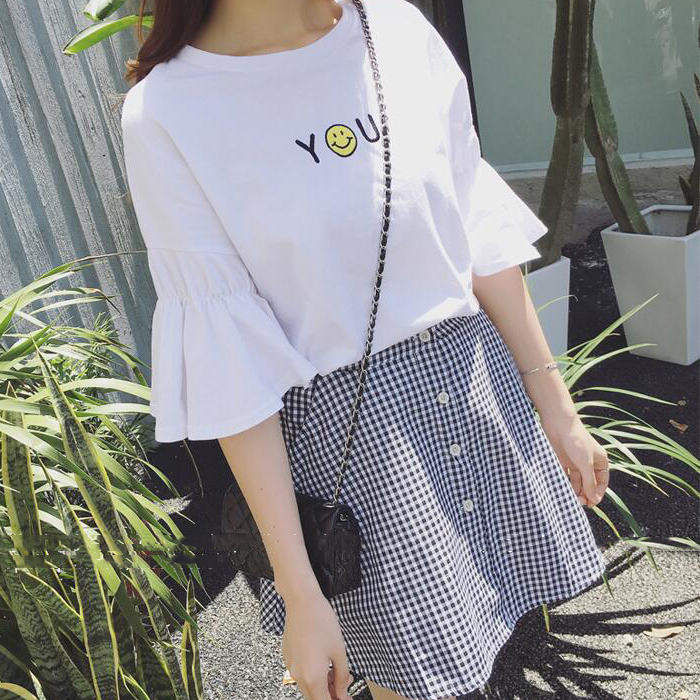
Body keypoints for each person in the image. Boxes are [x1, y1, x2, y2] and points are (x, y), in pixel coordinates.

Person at [120, 1, 610, 699]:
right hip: (358, 451)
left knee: (486, 644)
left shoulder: (396, 28)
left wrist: (557, 408)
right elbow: (231, 363)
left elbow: (471, 222)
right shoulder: (169, 112)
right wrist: (299, 591)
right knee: (409, 682)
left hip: (472, 386)